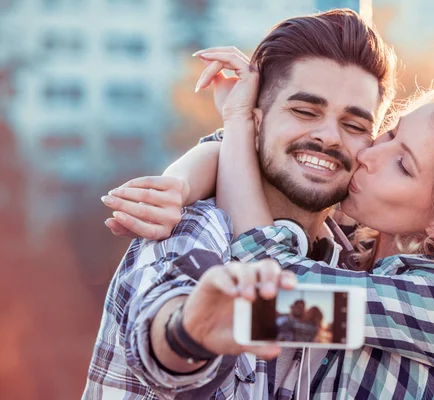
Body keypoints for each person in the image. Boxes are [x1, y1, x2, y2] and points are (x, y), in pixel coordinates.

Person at [104, 48, 434, 399]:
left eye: (403, 164)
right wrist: (187, 174)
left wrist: (237, 126)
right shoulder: (357, 256)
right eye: (389, 134)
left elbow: (273, 293)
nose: (370, 155)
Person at [84, 8, 397, 400]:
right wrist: (190, 334)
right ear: (257, 120)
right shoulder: (194, 227)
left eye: (354, 125)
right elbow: (160, 339)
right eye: (304, 111)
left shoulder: (352, 266)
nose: (329, 137)